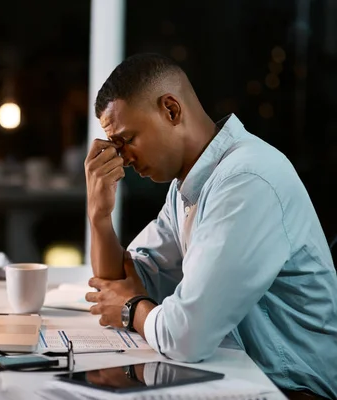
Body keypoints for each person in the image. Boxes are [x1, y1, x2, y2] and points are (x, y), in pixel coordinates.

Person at [83, 53, 337, 399]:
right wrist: (99, 216)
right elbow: (119, 284)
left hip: (292, 389)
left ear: (171, 110)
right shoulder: (187, 187)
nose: (123, 158)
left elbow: (185, 337)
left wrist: (131, 310)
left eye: (127, 139)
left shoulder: (246, 179)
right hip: (237, 376)